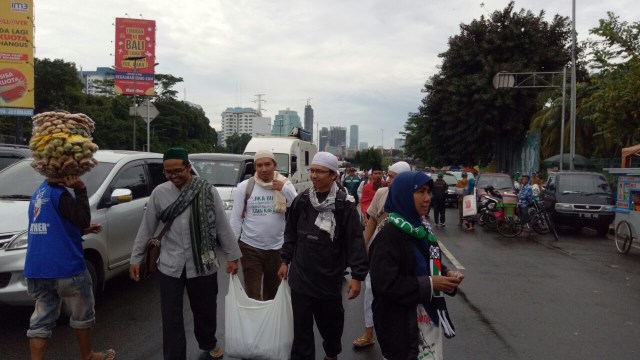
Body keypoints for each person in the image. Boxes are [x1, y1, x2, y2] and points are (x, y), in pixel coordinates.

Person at [129, 147, 241, 360]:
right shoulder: (159, 193)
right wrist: (136, 258)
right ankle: (174, 355)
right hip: (170, 265)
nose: (174, 176)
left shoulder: (207, 190)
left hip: (204, 262)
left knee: (205, 309)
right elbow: (147, 227)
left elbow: (221, 225)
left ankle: (208, 342)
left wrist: (232, 256)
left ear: (189, 167)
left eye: (178, 171)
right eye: (168, 172)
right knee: (171, 316)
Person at [278, 152, 369, 360]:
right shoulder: (302, 200)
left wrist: (357, 276)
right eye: (312, 171)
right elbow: (290, 232)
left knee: (331, 326)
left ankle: (331, 353)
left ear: (334, 175)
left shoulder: (343, 205)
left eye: (320, 171)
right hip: (300, 277)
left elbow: (355, 241)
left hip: (329, 278)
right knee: (301, 332)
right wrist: (285, 259)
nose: (314, 175)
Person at [369, 172, 464, 360]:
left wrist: (446, 274)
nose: (427, 198)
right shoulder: (388, 235)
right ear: (403, 194)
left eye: (428, 192)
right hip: (401, 327)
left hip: (426, 320)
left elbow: (426, 260)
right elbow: (384, 285)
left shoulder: (421, 228)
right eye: (420, 192)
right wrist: (430, 284)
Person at [25, 174, 114, 360]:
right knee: (83, 315)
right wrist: (80, 189)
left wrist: (83, 231)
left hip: (37, 268)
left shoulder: (39, 193)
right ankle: (88, 356)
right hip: (66, 267)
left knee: (40, 321)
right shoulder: (60, 194)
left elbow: (54, 226)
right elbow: (82, 218)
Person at [353, 161, 411, 349]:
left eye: (393, 177)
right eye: (389, 175)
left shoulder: (413, 197)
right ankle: (369, 332)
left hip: (403, 255)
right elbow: (371, 222)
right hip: (378, 253)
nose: (388, 180)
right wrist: (364, 247)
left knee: (399, 295)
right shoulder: (381, 194)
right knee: (371, 292)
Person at [229, 149, 297, 300]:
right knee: (252, 293)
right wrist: (232, 255)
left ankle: (269, 323)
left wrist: (283, 189)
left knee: (272, 293)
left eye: (267, 164)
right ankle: (254, 322)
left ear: (275, 165)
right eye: (259, 165)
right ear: (255, 167)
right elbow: (236, 219)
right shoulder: (245, 187)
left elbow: (298, 205)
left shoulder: (285, 184)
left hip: (278, 247)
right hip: (250, 247)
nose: (264, 169)